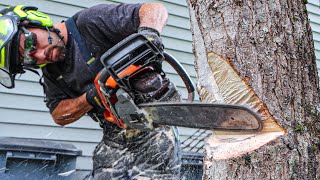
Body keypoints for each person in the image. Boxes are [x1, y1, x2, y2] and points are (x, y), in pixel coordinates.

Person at [0, 3, 181, 179]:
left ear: (36, 22)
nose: (40, 55)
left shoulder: (90, 23)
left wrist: (149, 33)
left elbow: (154, 9)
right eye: (29, 59)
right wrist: (91, 97)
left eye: (32, 44)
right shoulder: (52, 72)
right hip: (115, 135)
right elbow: (59, 114)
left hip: (155, 123)